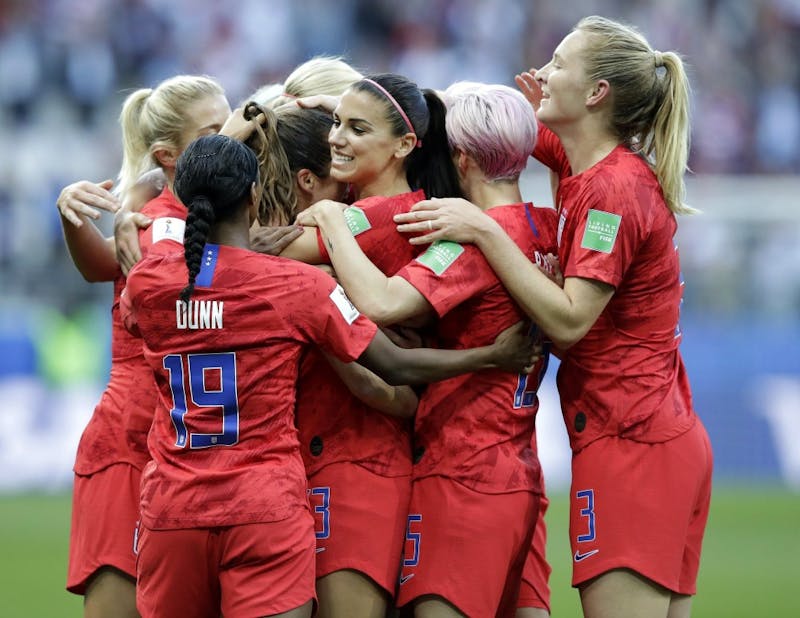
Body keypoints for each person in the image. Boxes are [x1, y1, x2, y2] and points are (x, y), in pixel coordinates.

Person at [120, 133, 538, 618]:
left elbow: (153, 304)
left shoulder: (149, 281)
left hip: (173, 508)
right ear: (254, 197)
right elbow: (394, 364)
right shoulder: (300, 285)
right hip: (264, 508)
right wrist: (488, 356)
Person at [394, 16, 713, 618]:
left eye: (559, 63)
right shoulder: (586, 163)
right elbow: (490, 131)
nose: (540, 74)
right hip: (659, 434)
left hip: (633, 443)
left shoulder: (612, 191)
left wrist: (485, 232)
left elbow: (569, 322)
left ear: (596, 95)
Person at [296, 82, 557, 617]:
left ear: (457, 154)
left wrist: (326, 223)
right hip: (521, 473)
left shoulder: (458, 239)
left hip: (459, 473)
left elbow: (384, 301)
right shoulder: (548, 228)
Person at [275, 72, 463, 617]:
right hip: (354, 449)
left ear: (405, 146)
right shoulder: (397, 204)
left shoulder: (371, 217)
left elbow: (261, 257)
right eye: (335, 123)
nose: (337, 137)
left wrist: (255, 125)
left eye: (356, 128)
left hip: (352, 455)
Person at [57, 74, 230, 618]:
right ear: (168, 155)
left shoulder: (218, 217)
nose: (231, 137)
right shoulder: (155, 222)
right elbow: (101, 264)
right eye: (215, 129)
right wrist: (73, 214)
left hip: (193, 448)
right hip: (134, 441)